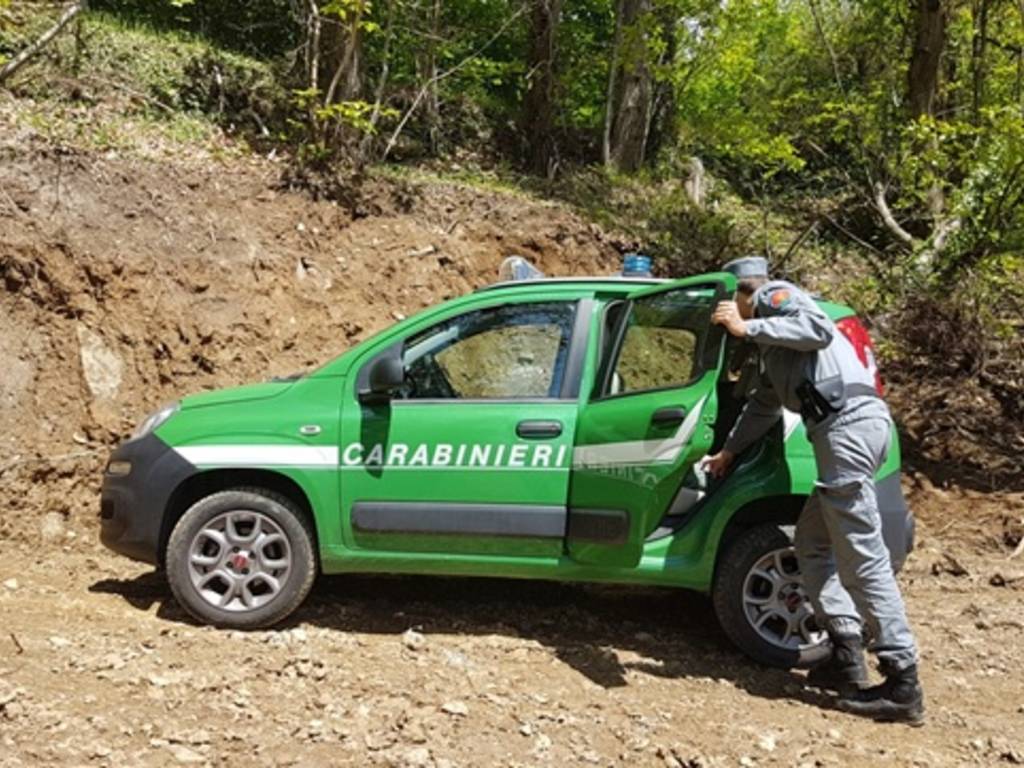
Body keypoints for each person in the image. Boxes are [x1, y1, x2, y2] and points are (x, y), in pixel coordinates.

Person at [702, 256, 925, 726]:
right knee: (811, 542)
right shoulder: (772, 349)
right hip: (840, 432)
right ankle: (844, 653)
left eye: (732, 305)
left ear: (743, 291)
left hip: (847, 427)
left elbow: (816, 328)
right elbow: (762, 407)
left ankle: (903, 679)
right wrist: (727, 453)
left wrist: (746, 324)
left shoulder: (773, 296)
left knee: (861, 555)